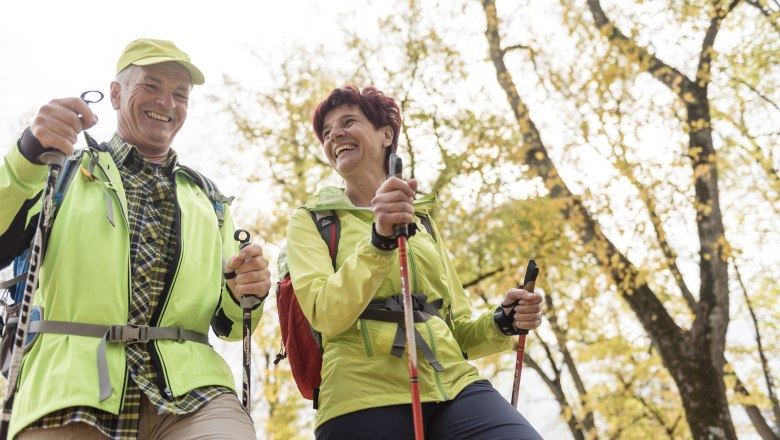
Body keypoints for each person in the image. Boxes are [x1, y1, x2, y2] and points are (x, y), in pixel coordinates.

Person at [0, 38, 270, 439]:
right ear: (115, 93)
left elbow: (231, 323)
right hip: (67, 388)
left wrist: (247, 290)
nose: (167, 102)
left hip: (192, 393)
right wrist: (27, 156)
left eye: (180, 94)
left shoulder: (209, 200)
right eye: (151, 85)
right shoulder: (59, 169)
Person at [284, 84, 545, 439]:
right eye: (327, 132)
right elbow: (325, 312)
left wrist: (502, 322)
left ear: (386, 133)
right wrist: (379, 241)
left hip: (453, 384)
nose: (336, 135)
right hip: (360, 396)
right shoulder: (312, 220)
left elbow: (456, 328)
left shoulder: (422, 223)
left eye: (349, 122)